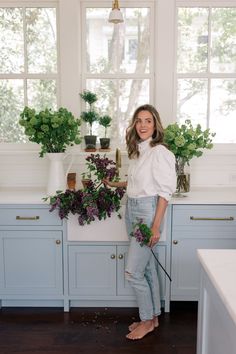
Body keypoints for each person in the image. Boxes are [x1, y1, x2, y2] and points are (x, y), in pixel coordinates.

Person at [103, 104, 176, 340]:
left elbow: (164, 192)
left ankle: (146, 320)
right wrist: (115, 185)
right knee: (147, 268)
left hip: (147, 212)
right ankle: (153, 318)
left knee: (133, 272)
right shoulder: (138, 151)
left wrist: (155, 226)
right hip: (132, 208)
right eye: (139, 120)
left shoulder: (160, 152)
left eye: (148, 121)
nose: (143, 125)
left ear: (155, 125)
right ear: (134, 125)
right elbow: (139, 183)